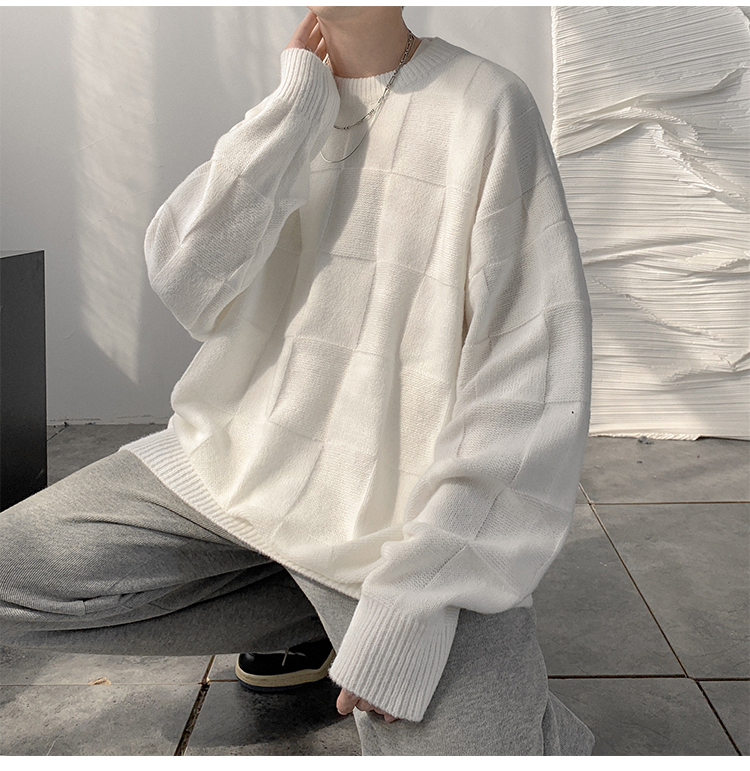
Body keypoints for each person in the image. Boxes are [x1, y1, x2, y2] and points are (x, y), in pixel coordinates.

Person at [0, 6, 596, 755]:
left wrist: (416, 592)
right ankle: (310, 613)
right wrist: (293, 111)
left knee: (481, 750)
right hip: (234, 470)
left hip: (398, 518)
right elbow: (186, 283)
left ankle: (344, 609)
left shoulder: (489, 105)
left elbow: (527, 381)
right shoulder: (293, 107)